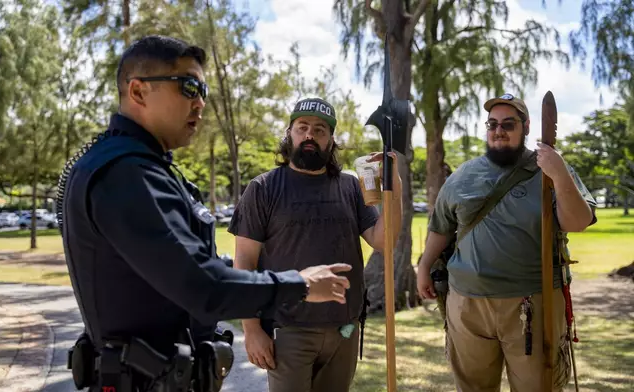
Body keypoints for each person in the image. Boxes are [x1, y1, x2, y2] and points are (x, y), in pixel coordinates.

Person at [57, 35, 353, 391]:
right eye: (188, 86)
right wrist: (300, 284)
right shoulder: (125, 173)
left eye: (203, 90)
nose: (199, 103)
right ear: (137, 92)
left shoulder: (145, 168)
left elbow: (190, 264)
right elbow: (203, 285)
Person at [416, 93, 597, 392]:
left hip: (532, 303)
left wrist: (559, 174)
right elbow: (441, 228)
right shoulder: (463, 174)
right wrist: (424, 266)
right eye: (492, 124)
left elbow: (578, 222)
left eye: (508, 124)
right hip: (467, 304)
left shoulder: (550, 168)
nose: (498, 130)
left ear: (526, 127)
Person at [227, 97, 403, 392]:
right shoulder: (263, 188)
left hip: (345, 330)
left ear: (331, 140)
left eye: (320, 130)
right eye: (302, 127)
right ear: (290, 133)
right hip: (288, 329)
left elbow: (383, 241)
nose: (310, 135)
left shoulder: (350, 186)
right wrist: (252, 329)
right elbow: (244, 261)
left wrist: (393, 186)